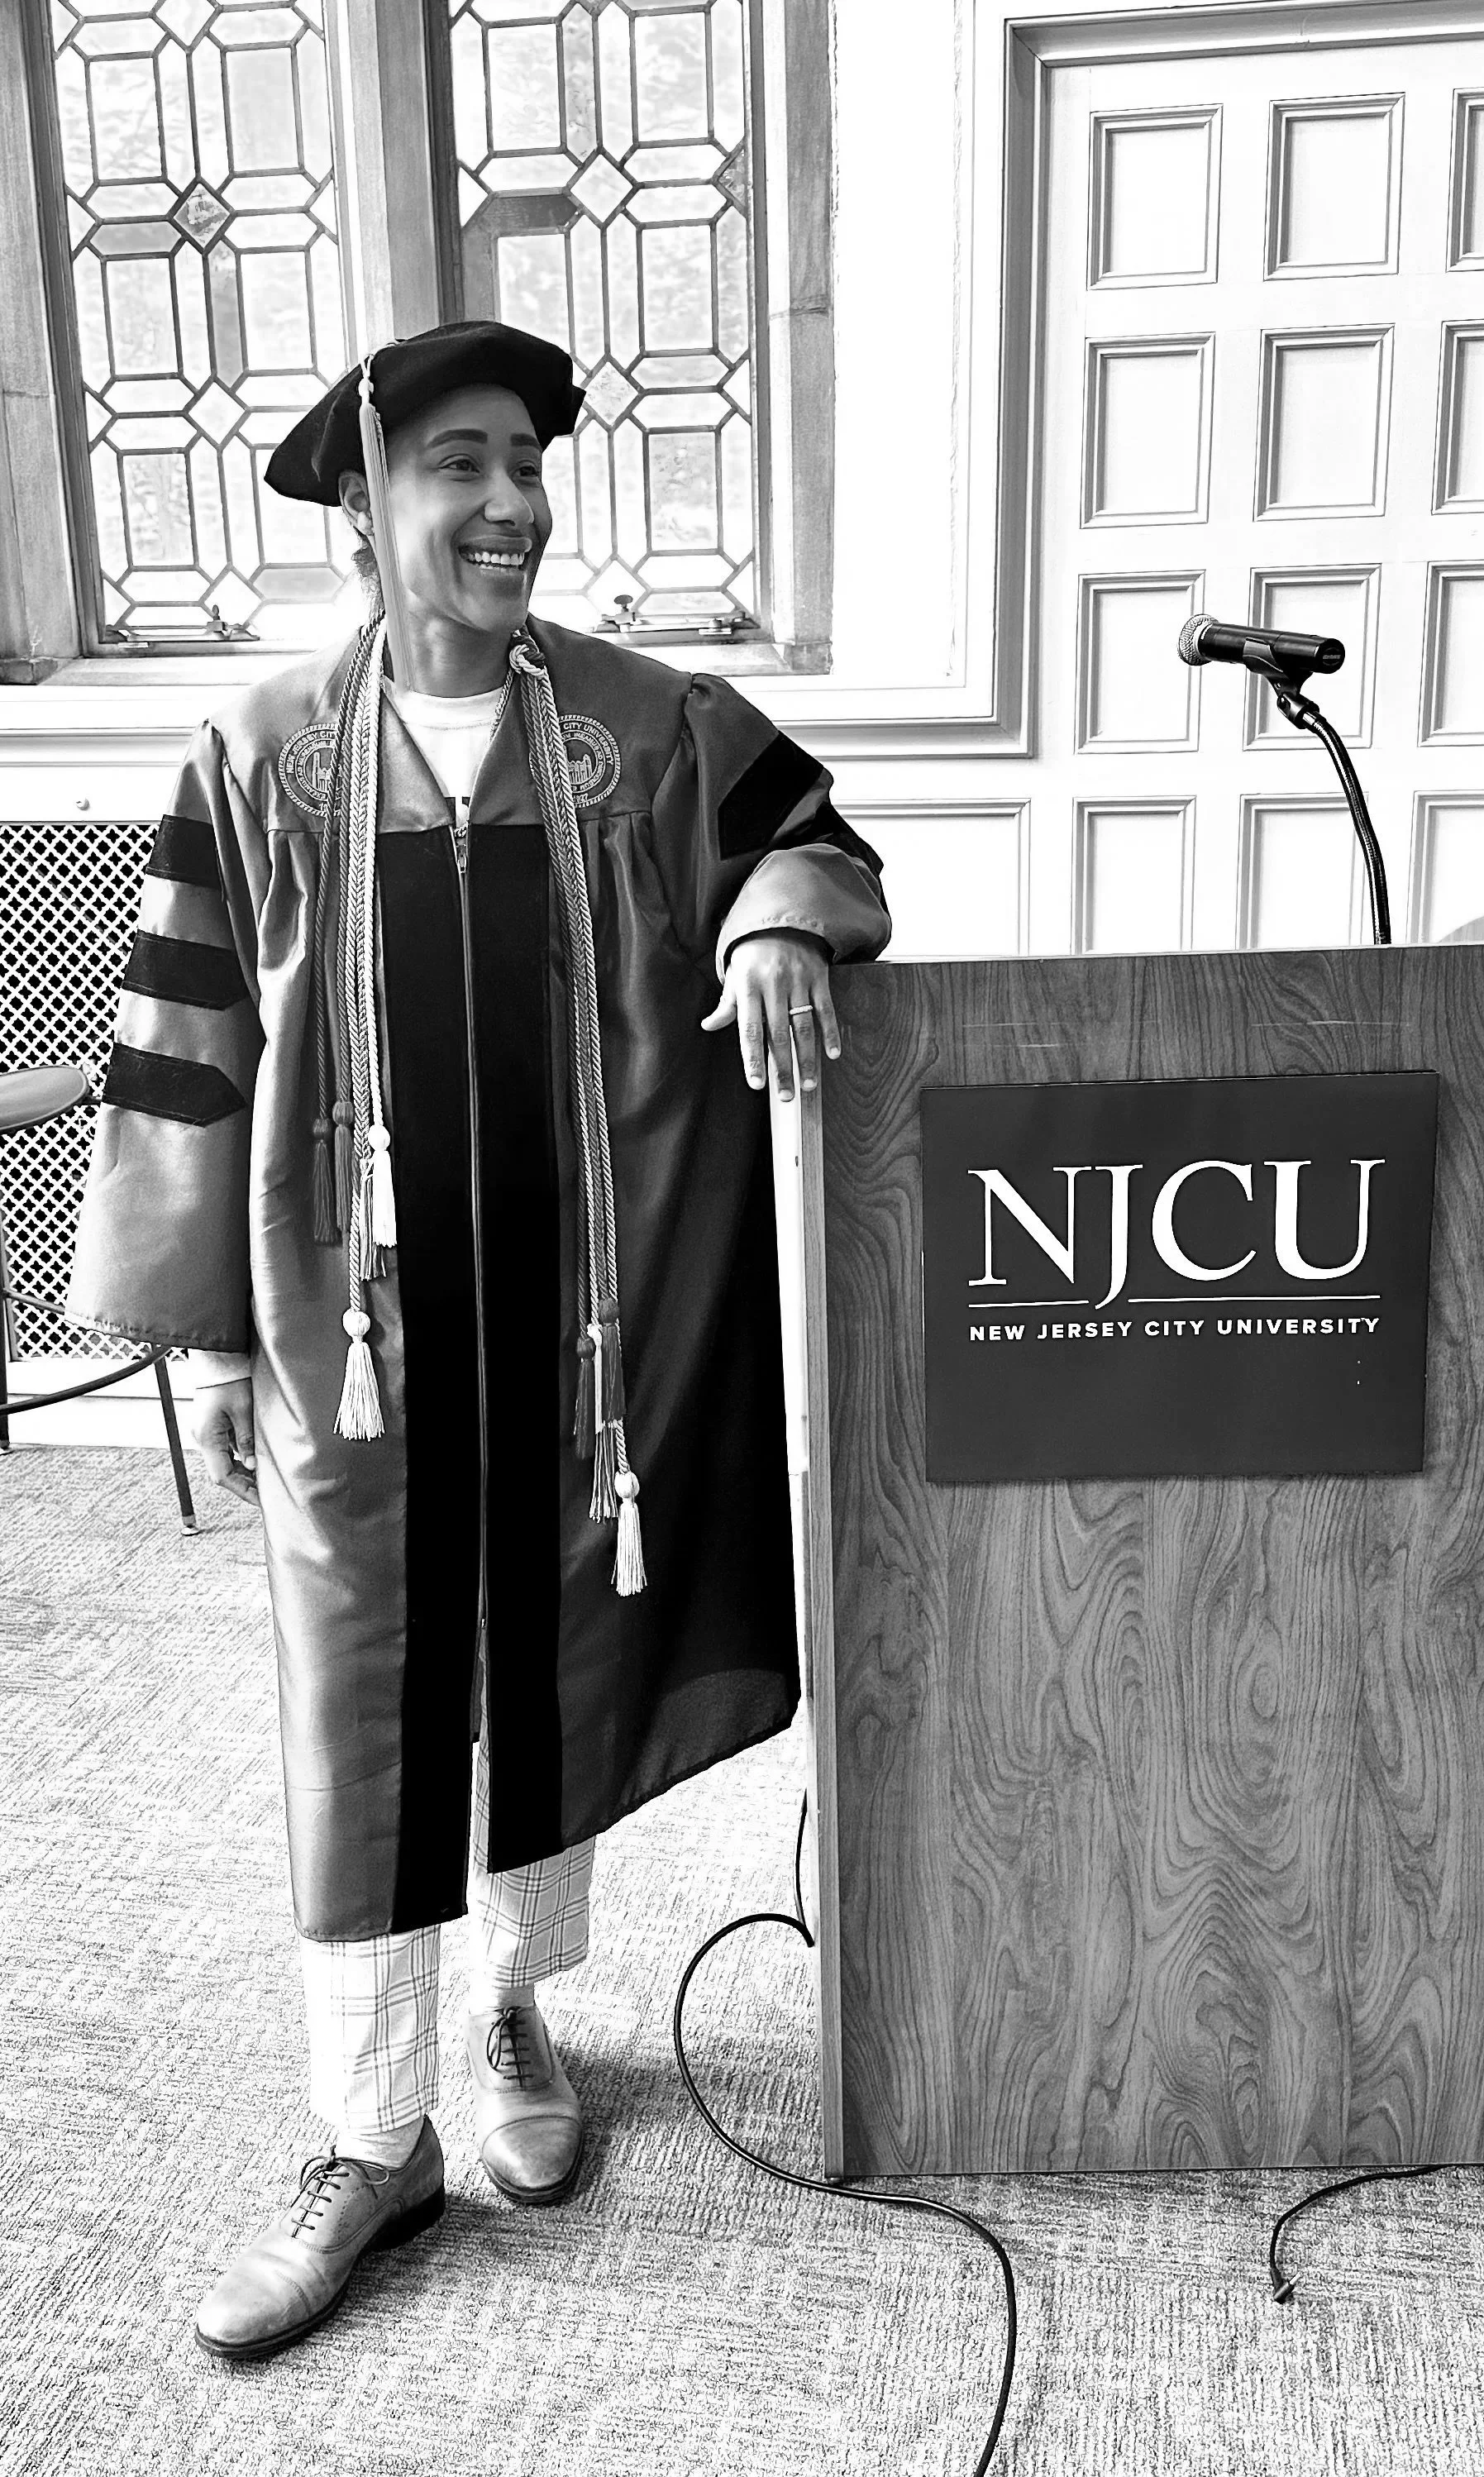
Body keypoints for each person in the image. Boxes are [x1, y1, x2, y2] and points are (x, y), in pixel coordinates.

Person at [66, 319, 889, 2361]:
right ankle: (364, 2133)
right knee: (361, 1706)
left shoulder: (640, 726)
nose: (509, 498)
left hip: (588, 1333)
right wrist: (210, 1338)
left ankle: (519, 2006)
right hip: (358, 1337)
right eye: (457, 462)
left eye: (524, 458)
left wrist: (779, 913)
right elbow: (187, 1049)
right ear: (367, 502)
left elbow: (816, 836)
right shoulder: (261, 750)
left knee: (552, 1657)